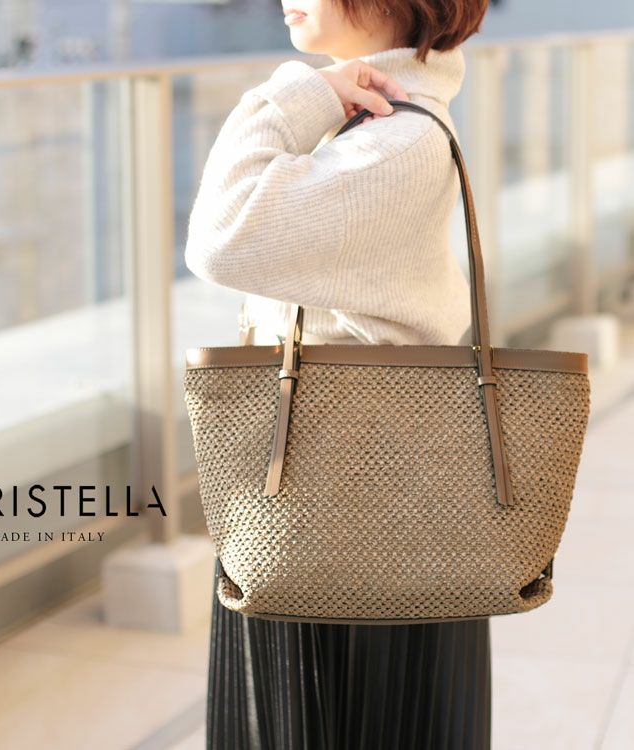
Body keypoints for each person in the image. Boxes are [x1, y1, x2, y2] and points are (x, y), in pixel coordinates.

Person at [184, 1, 492, 747]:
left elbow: (221, 237)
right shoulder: (379, 123)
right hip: (358, 498)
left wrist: (298, 95)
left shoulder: (394, 141)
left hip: (341, 510)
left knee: (328, 717)